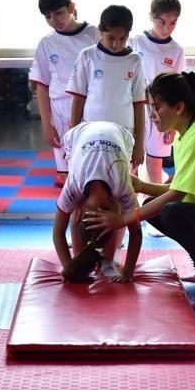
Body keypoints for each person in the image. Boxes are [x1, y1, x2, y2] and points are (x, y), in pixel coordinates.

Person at [86, 72, 195, 301]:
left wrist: (123, 219)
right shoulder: (185, 135)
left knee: (171, 211)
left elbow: (176, 196)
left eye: (157, 107)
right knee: (155, 208)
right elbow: (182, 189)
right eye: (150, 107)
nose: (151, 115)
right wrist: (141, 186)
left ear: (179, 107)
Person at [52, 120, 141, 282]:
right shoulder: (73, 186)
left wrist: (128, 271)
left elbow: (136, 232)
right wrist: (68, 267)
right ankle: (80, 256)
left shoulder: (122, 185)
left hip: (121, 134)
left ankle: (108, 260)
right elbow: (57, 233)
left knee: (120, 206)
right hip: (77, 138)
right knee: (77, 210)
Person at [29, 0, 98, 186]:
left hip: (90, 109)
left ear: (71, 7)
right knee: (68, 175)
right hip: (60, 112)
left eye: (59, 13)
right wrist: (46, 123)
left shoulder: (94, 34)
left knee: (92, 171)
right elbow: (41, 85)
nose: (54, 20)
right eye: (48, 16)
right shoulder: (46, 43)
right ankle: (72, 218)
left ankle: (91, 216)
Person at [67, 5, 146, 168]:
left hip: (124, 131)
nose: (117, 44)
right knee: (91, 175)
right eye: (111, 38)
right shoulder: (87, 56)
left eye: (123, 38)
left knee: (121, 181)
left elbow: (139, 105)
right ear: (100, 31)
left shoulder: (135, 60)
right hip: (91, 130)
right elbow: (78, 99)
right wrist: (73, 136)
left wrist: (139, 144)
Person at [129, 0, 186, 198]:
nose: (167, 28)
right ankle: (129, 209)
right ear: (151, 17)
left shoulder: (176, 50)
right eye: (162, 22)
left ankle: (153, 213)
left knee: (155, 163)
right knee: (129, 162)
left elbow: (179, 86)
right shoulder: (135, 42)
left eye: (173, 23)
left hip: (162, 112)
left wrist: (173, 124)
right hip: (134, 108)